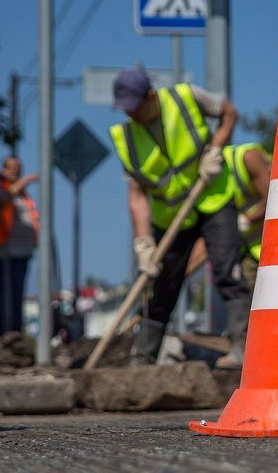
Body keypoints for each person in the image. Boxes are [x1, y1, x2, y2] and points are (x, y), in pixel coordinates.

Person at [108, 69, 252, 369]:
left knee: (228, 271)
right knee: (160, 285)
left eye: (135, 106)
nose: (131, 115)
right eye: (126, 110)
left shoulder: (185, 97)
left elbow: (229, 113)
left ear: (150, 95)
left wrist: (215, 150)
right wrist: (144, 240)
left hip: (213, 197)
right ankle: (143, 357)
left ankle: (242, 348)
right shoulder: (127, 139)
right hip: (171, 214)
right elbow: (137, 194)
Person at [0, 157, 39, 336]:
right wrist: (25, 181)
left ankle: (14, 333)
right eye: (12, 169)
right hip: (5, 252)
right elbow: (2, 199)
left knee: (16, 296)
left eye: (18, 169)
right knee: (3, 298)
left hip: (22, 251)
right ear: (3, 169)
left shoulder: (23, 195)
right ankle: (2, 333)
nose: (15, 172)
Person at [222, 143, 271, 290]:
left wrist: (245, 220)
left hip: (277, 246)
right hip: (248, 251)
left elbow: (273, 199)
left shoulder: (247, 157)